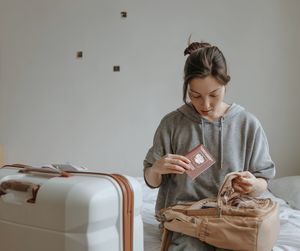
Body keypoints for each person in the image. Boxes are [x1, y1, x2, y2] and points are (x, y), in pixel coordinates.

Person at [143, 41, 275, 251]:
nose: (205, 105)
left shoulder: (248, 124)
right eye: (195, 95)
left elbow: (263, 181)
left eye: (214, 94)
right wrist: (157, 168)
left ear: (226, 84)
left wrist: (253, 185)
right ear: (187, 87)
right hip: (184, 220)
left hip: (231, 218)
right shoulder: (172, 124)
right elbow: (151, 180)